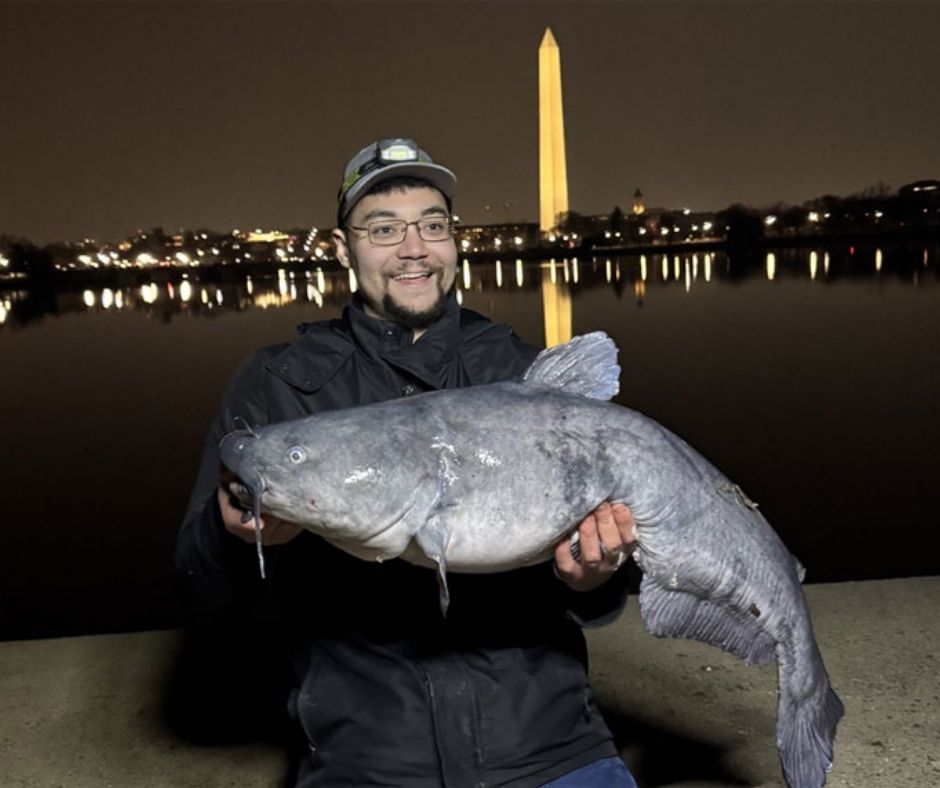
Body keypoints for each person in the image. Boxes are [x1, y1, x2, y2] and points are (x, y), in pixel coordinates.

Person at [175, 137, 639, 787]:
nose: (413, 247)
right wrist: (228, 537)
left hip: (552, 748)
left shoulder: (529, 375)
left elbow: (604, 594)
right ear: (342, 249)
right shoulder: (275, 388)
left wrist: (596, 576)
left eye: (432, 224)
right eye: (384, 228)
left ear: (456, 240)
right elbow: (201, 590)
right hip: (365, 764)